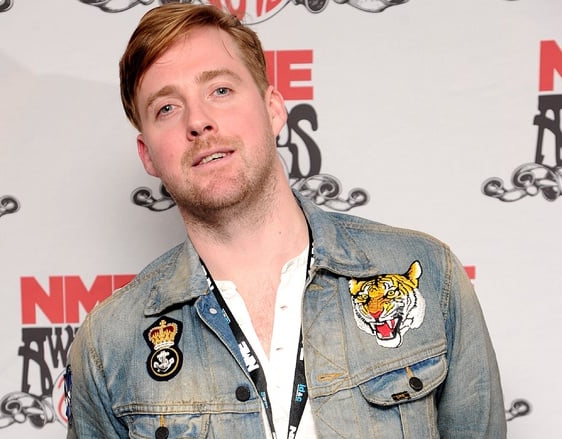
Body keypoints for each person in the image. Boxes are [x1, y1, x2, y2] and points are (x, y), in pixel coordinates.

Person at [66, 3, 507, 438]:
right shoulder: (109, 344)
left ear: (274, 109)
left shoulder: (428, 275)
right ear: (147, 154)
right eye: (167, 108)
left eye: (220, 90)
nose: (198, 121)